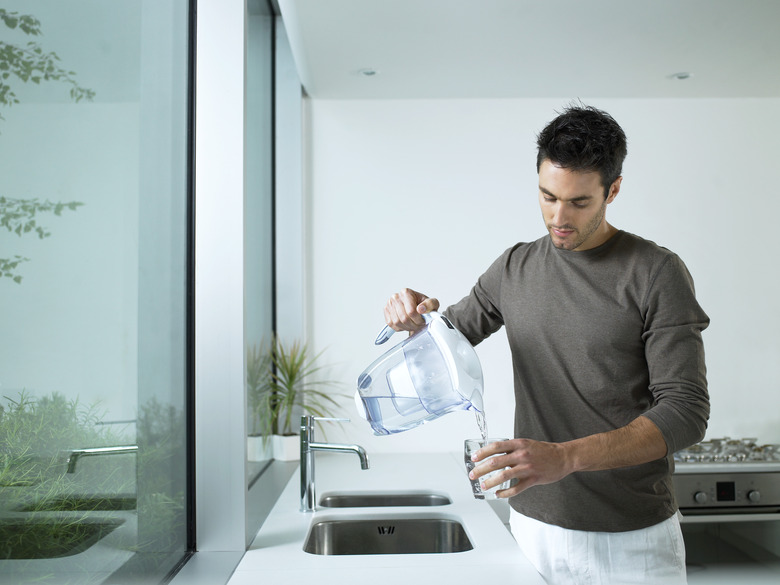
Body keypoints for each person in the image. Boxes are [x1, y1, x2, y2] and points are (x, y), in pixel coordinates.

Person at [382, 104, 709, 585]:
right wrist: (415, 320)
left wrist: (567, 457)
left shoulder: (656, 273)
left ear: (612, 190)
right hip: (532, 531)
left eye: (579, 202)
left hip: (631, 539)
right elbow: (446, 342)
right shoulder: (515, 267)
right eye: (547, 196)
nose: (559, 217)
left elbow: (686, 412)